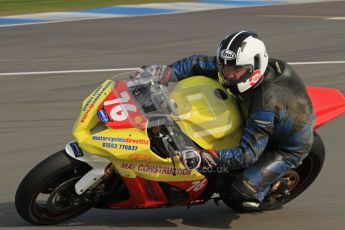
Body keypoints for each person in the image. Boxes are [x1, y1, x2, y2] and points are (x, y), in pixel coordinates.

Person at [140, 31, 315, 208]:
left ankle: (270, 188)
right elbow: (197, 63)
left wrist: (211, 156)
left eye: (235, 70)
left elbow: (248, 154)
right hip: (259, 115)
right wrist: (166, 72)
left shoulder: (266, 102)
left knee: (240, 193)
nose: (228, 74)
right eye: (225, 67)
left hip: (286, 147)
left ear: (255, 67)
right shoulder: (239, 66)